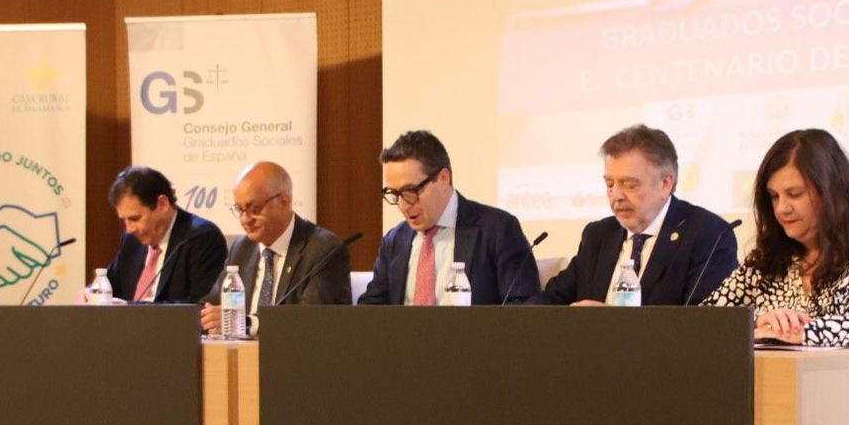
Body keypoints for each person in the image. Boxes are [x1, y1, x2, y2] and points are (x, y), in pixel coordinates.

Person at [701, 129, 849, 347]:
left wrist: (811, 331)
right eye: (774, 196)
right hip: (778, 378)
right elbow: (699, 325)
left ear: (829, 192)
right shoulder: (770, 256)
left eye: (795, 194)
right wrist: (755, 323)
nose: (782, 208)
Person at [530, 125, 737, 306]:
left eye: (629, 185)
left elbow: (704, 322)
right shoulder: (599, 235)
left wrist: (609, 320)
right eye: (609, 184)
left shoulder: (708, 235)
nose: (616, 196)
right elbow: (551, 300)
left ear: (665, 184)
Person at [358, 130, 539, 305]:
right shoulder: (395, 240)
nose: (403, 205)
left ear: (443, 178)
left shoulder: (497, 230)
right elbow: (372, 308)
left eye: (410, 191)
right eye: (394, 193)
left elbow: (522, 306)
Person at [200, 161, 353, 335]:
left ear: (284, 201)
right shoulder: (242, 248)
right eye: (240, 210)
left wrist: (247, 323)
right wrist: (207, 317)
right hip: (240, 351)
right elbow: (211, 304)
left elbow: (313, 319)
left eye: (254, 209)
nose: (245, 219)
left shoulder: (324, 249)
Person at [105, 166, 227, 304]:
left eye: (135, 218)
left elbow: (201, 305)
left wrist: (130, 307)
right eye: (124, 220)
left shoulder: (202, 238)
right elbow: (111, 284)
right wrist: (93, 293)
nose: (129, 229)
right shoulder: (131, 240)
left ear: (162, 204)